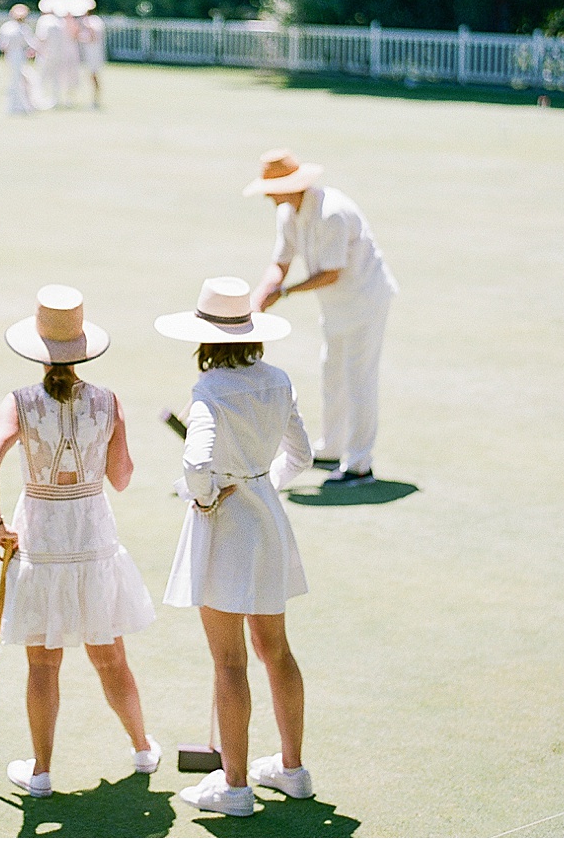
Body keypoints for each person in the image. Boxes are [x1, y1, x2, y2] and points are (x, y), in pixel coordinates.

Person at [0, 285, 159, 798]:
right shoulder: (107, 401)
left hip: (40, 539)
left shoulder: (19, 402)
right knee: (110, 657)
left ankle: (40, 773)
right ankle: (143, 750)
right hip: (93, 537)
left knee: (42, 663)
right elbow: (121, 479)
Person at [154, 276, 315, 817]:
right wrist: (262, 485)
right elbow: (302, 456)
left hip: (225, 529)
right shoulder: (278, 380)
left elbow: (197, 464)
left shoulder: (209, 392)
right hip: (267, 523)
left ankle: (237, 787)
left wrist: (206, 499)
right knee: (277, 650)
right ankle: (292, 771)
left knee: (229, 663)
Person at [245, 150, 397, 484]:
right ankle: (330, 449)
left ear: (291, 185)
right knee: (332, 372)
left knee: (359, 379)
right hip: (336, 306)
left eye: (273, 188)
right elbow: (280, 263)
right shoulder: (287, 213)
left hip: (365, 301)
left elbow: (331, 273)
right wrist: (257, 300)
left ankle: (360, 463)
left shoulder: (332, 213)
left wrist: (282, 293)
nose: (268, 195)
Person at [0, 4, 38, 115]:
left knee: (17, 80)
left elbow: (2, 45)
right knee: (16, 81)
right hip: (16, 55)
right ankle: (16, 107)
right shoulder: (19, 28)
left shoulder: (11, 27)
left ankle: (19, 106)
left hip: (15, 55)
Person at [34, 8, 79, 110]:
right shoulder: (59, 22)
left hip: (45, 54)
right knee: (55, 78)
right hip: (58, 54)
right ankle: (55, 100)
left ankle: (37, 99)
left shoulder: (44, 21)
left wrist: (36, 49)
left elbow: (42, 37)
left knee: (41, 77)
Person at [76, 10, 106, 110]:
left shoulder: (94, 21)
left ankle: (95, 101)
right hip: (90, 55)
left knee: (94, 77)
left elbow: (94, 37)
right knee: (91, 77)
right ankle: (94, 100)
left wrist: (87, 24)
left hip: (95, 55)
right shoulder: (89, 21)